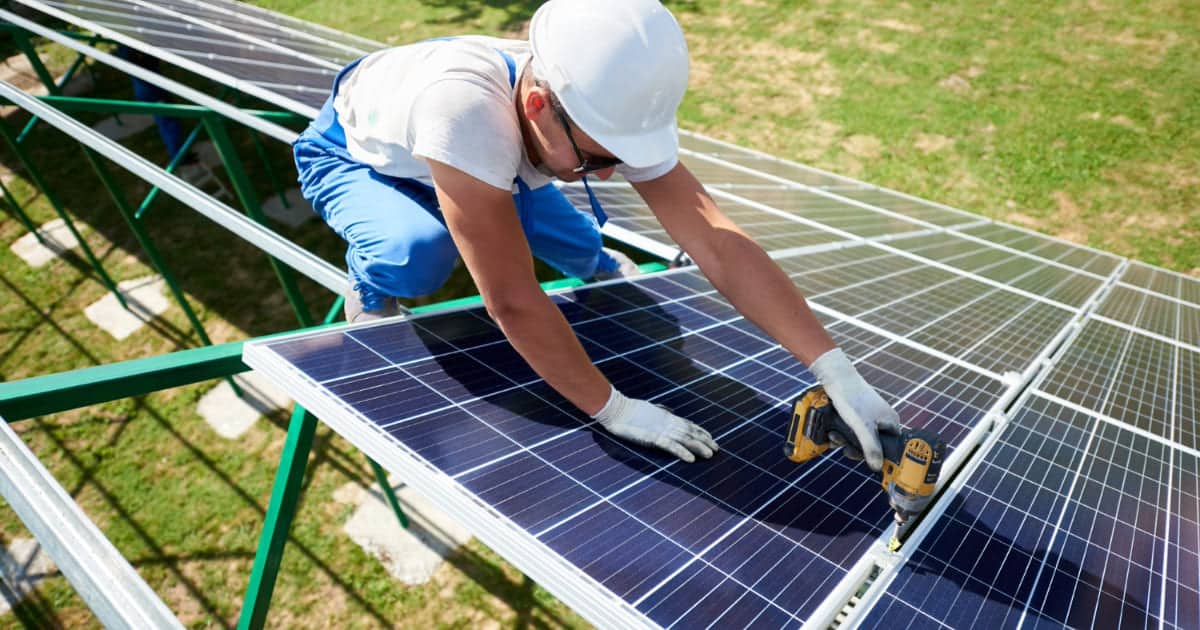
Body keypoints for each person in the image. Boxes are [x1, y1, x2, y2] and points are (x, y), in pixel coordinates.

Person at [293, 0, 900, 467]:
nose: (610, 174)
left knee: (581, 245)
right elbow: (512, 299)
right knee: (418, 252)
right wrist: (613, 408)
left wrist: (836, 371)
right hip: (359, 156)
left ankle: (593, 258)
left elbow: (716, 240)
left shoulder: (593, 99)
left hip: (488, 149)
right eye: (596, 160)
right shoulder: (466, 115)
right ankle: (372, 287)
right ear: (537, 105)